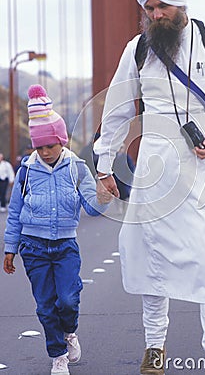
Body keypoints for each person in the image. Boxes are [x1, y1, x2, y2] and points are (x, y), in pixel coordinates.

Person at [94, 0, 205, 375]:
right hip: (155, 166)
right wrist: (103, 166)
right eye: (148, 9)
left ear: (180, 3)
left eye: (161, 7)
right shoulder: (136, 49)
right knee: (154, 258)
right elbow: (115, 112)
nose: (154, 16)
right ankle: (154, 348)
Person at [3, 85, 112, 375]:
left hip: (65, 247)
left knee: (67, 300)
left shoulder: (77, 168)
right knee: (45, 306)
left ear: (61, 141)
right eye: (39, 147)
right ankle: (58, 355)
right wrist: (10, 249)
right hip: (34, 247)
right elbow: (14, 213)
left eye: (50, 145)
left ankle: (69, 331)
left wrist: (103, 197)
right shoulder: (26, 171)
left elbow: (92, 207)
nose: (45, 151)